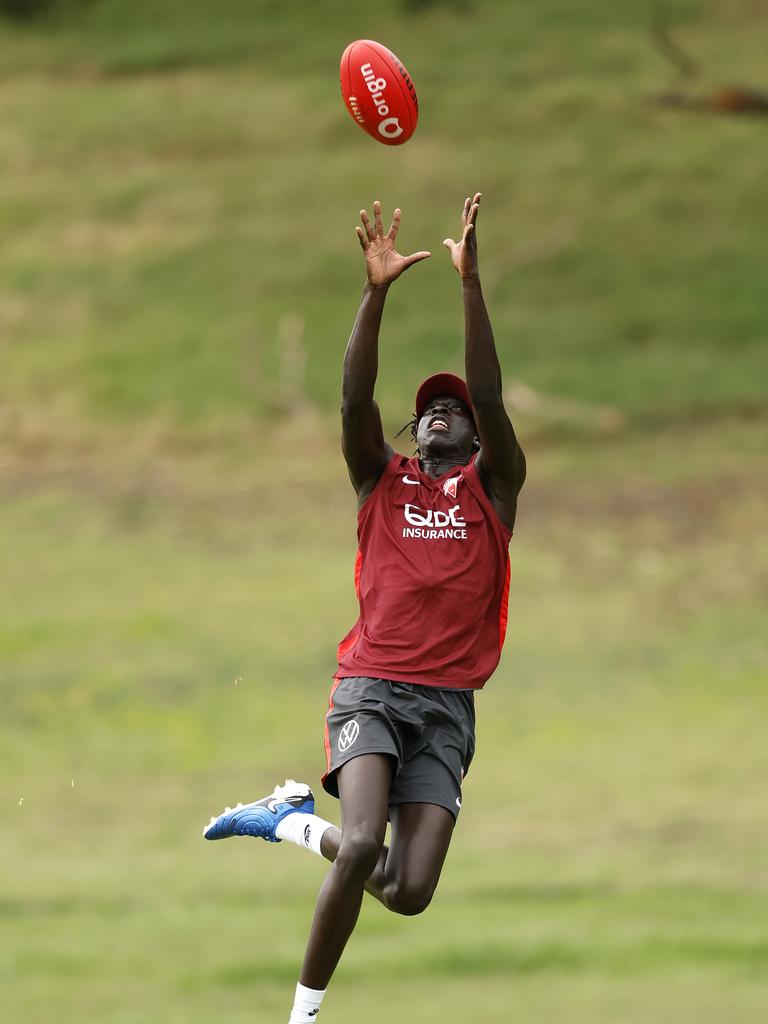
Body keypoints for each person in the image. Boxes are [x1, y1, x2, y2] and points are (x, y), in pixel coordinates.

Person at [203, 193, 526, 1024]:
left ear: (480, 439)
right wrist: (375, 291)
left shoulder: (494, 490)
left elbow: (488, 388)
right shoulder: (381, 481)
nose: (444, 411)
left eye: (456, 409)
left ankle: (283, 823)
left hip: (448, 708)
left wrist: (471, 284)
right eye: (430, 409)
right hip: (374, 687)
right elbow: (352, 405)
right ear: (416, 433)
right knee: (358, 849)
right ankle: (302, 1017)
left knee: (410, 890)